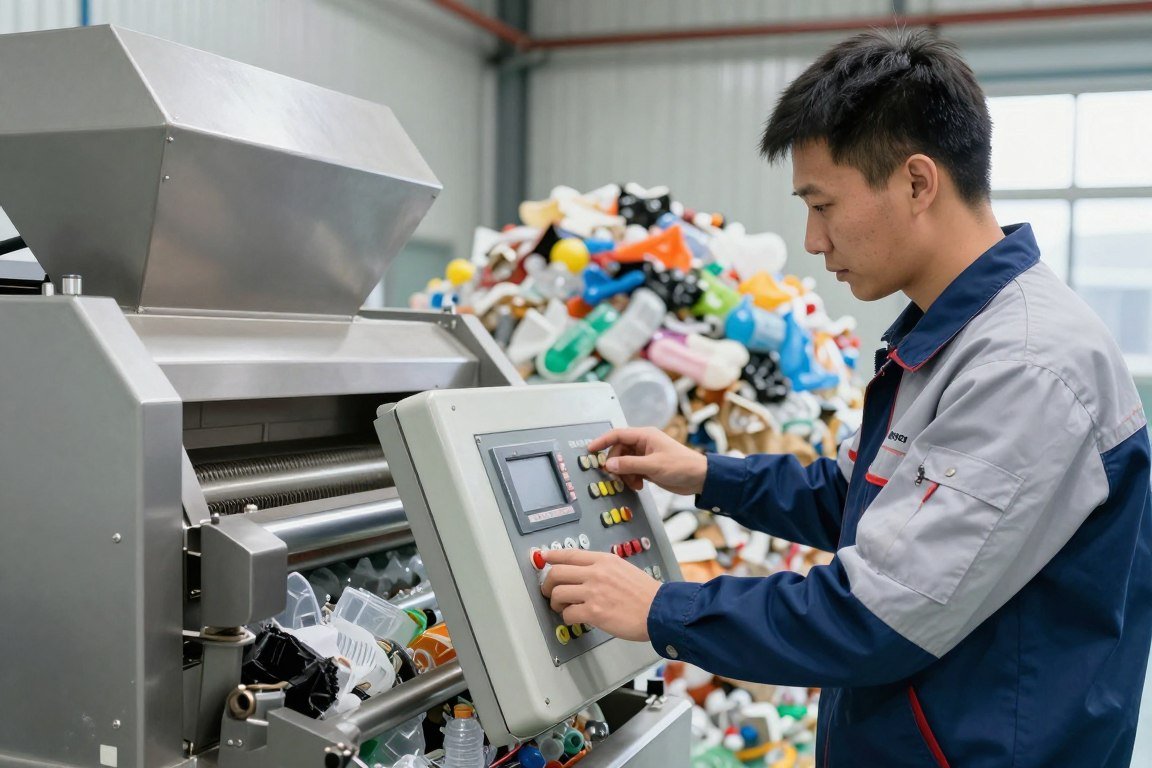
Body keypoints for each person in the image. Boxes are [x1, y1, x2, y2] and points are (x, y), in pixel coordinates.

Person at [541, 28, 1152, 767]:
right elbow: (865, 497)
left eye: (822, 204)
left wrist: (659, 609)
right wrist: (704, 475)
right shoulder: (956, 339)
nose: (811, 239)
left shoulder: (1024, 367)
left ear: (918, 183)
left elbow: (874, 615)